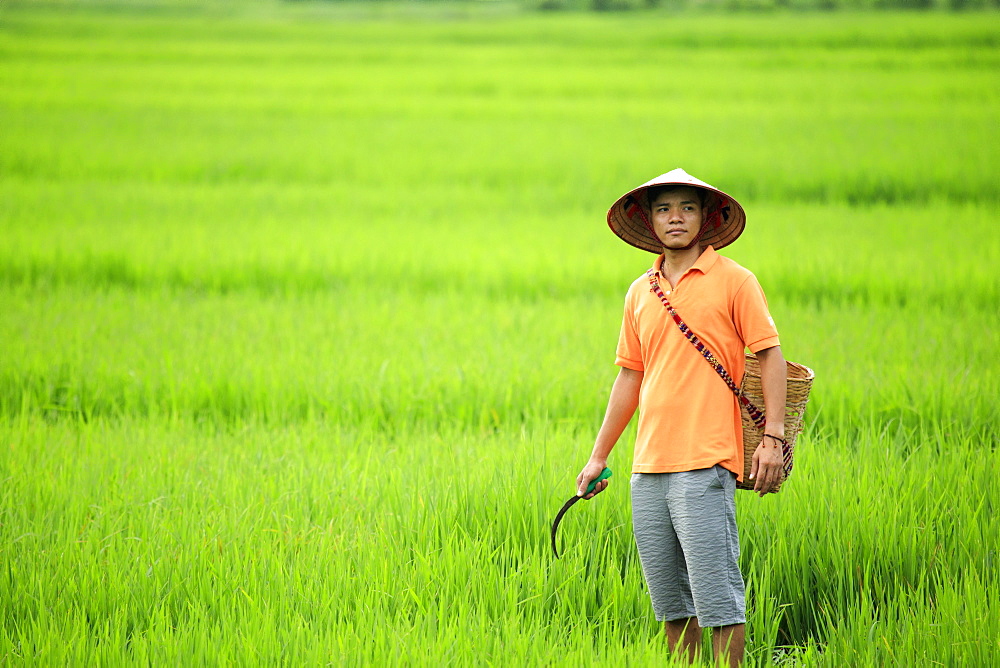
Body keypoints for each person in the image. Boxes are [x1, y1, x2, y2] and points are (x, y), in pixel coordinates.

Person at [575, 169, 787, 667]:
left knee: (717, 599)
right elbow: (629, 378)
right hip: (647, 469)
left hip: (706, 461)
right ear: (649, 221)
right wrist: (597, 456)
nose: (675, 217)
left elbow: (770, 356)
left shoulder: (736, 281)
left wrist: (772, 437)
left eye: (687, 208)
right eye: (664, 208)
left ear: (706, 218)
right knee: (671, 604)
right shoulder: (640, 291)